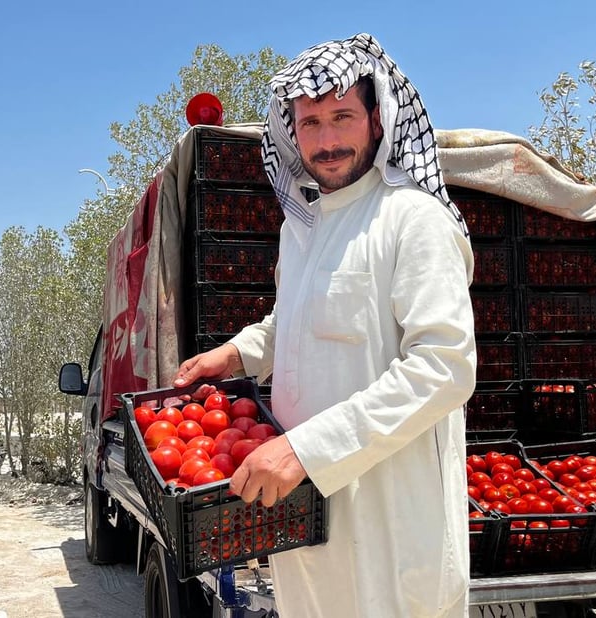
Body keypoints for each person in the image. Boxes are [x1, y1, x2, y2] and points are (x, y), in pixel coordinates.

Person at [173, 33, 477, 618]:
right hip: (303, 520)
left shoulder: (413, 221)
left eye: (342, 116)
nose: (327, 140)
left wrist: (307, 451)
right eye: (310, 123)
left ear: (378, 120)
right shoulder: (303, 226)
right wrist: (238, 353)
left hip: (390, 529)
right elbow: (295, 320)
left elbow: (444, 367)